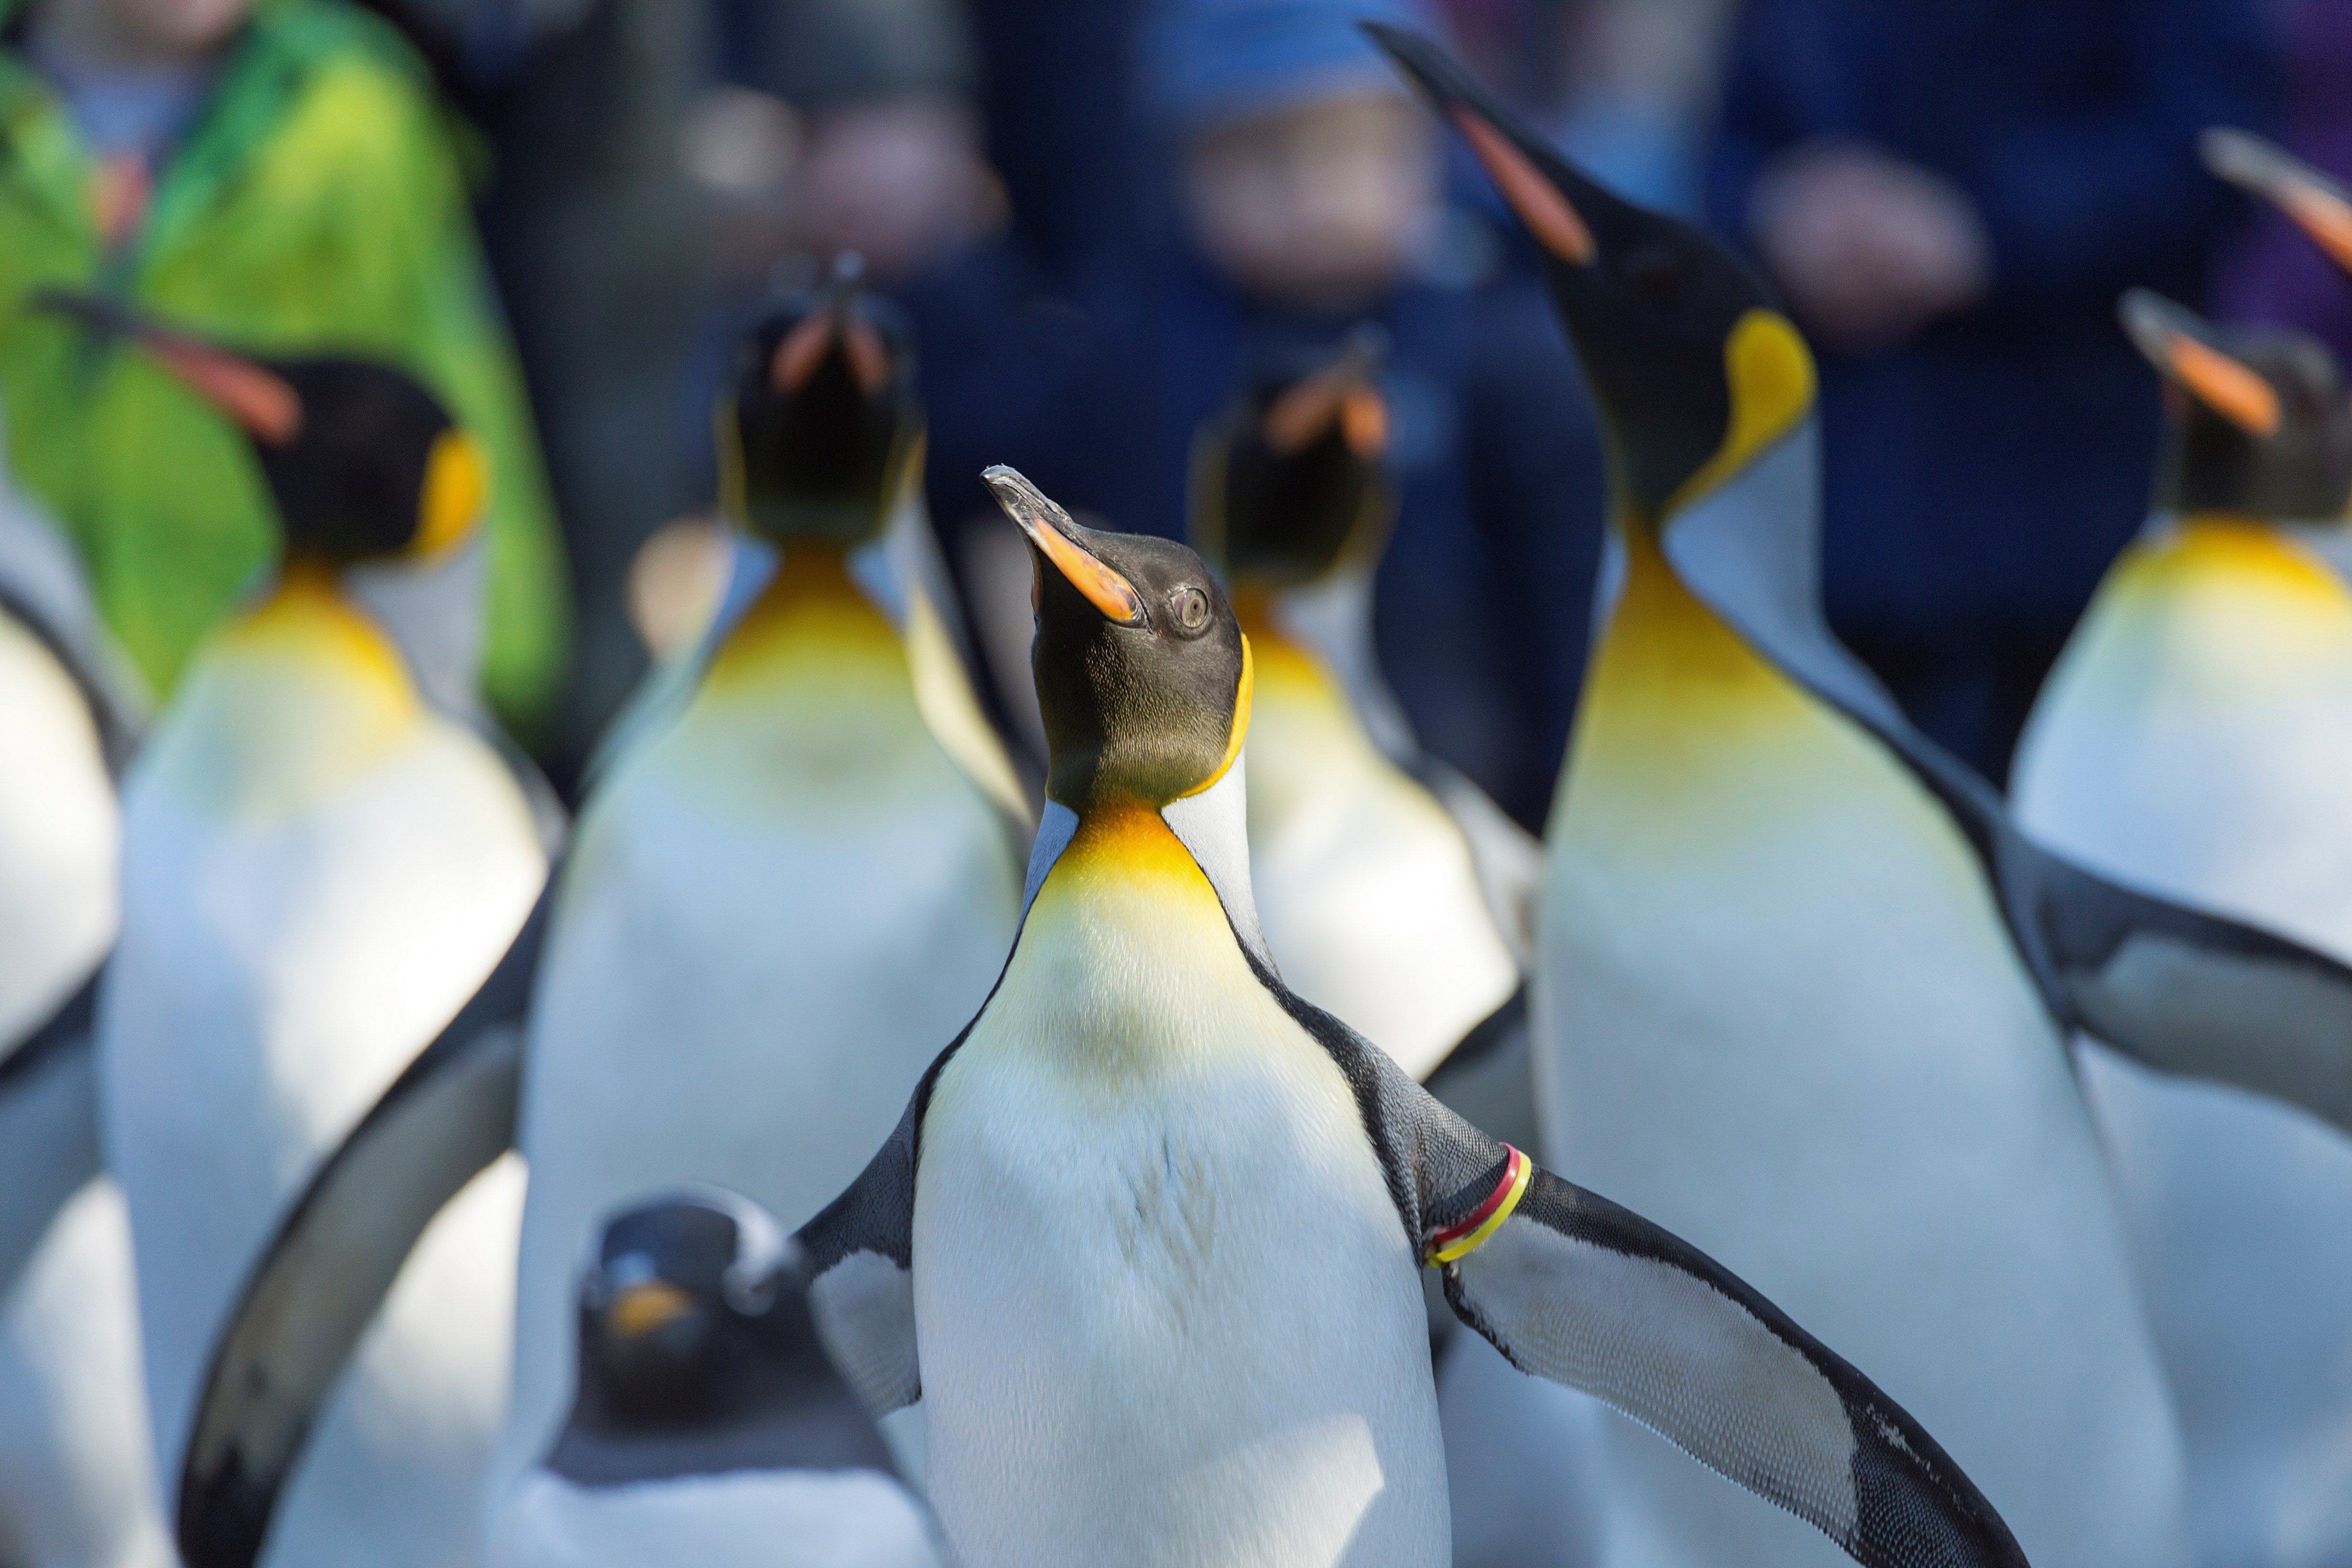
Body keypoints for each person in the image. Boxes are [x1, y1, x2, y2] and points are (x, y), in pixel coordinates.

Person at [914, 0, 1608, 827]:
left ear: (1424, 147)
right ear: (1183, 169)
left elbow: (1569, 626)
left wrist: (1562, 826)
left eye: (1352, 149)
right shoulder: (1137, 348)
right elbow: (979, 475)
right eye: (1261, 159)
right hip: (1200, 814)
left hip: (1462, 819)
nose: (1314, 196)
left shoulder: (1504, 351)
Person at [1709, 0, 2277, 780]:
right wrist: (1774, 212)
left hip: (2057, 507)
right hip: (1826, 509)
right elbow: (1731, 137)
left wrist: (1985, 232)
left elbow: (2209, 150)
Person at [0, 0, 569, 730]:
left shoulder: (343, 111)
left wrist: (483, 673)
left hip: (275, 717)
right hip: (27, 715)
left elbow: (448, 407)